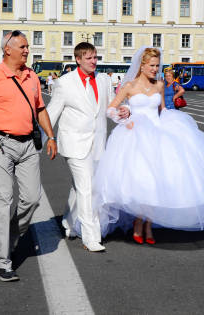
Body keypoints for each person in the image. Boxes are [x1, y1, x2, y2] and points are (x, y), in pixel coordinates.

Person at [92, 47, 204, 244]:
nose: (155, 69)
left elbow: (162, 110)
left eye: (157, 65)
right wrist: (125, 121)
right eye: (152, 65)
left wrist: (175, 123)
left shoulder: (159, 85)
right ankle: (139, 223)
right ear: (142, 65)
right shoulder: (129, 86)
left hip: (157, 134)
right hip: (135, 136)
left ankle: (147, 224)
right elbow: (110, 109)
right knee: (143, 182)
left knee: (158, 183)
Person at [0, 30, 57, 282]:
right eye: (23, 46)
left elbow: (40, 108)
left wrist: (51, 136)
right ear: (8, 50)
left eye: (27, 46)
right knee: (3, 201)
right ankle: (2, 261)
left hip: (28, 146)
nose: (27, 50)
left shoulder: (32, 76)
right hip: (0, 143)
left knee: (32, 199)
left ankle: (11, 237)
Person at [46, 42, 129, 252]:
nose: (93, 61)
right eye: (89, 58)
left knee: (79, 186)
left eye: (95, 57)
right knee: (87, 188)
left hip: (98, 143)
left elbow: (111, 106)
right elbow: (51, 114)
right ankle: (91, 237)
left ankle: (68, 221)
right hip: (74, 143)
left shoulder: (103, 80)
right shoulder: (64, 83)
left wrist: (124, 112)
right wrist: (49, 137)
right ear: (78, 60)